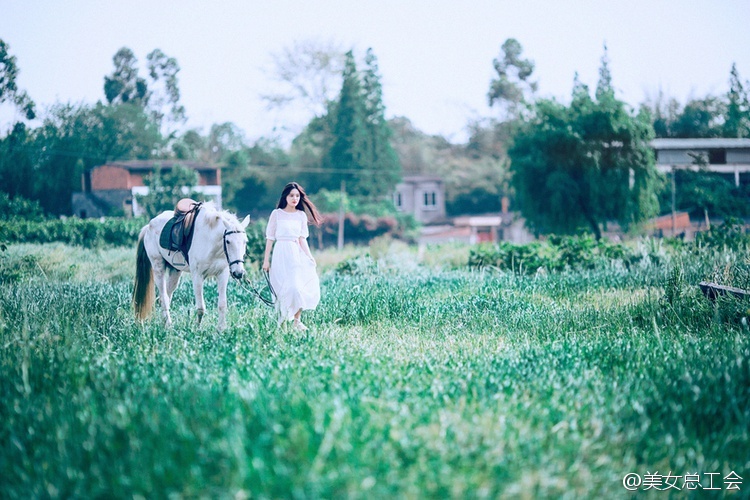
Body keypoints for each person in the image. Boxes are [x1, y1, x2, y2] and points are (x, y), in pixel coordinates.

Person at [262, 182, 322, 330]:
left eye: (297, 196)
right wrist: (266, 261)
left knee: (297, 286)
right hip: (280, 253)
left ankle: (297, 320)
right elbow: (270, 237)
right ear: (286, 197)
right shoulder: (276, 214)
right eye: (291, 195)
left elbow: (302, 239)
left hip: (295, 253)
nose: (295, 198)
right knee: (282, 287)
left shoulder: (301, 215)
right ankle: (282, 320)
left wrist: (309, 256)